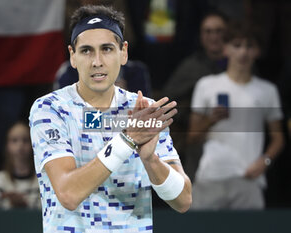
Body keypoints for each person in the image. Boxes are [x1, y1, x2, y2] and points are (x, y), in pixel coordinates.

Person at [29, 5, 192, 233]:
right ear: (72, 56)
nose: (97, 61)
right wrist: (127, 141)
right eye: (86, 51)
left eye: (106, 49)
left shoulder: (144, 112)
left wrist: (151, 160)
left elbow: (183, 200)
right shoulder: (50, 109)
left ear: (123, 52)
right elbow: (68, 194)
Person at [188, 21, 284, 210]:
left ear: (257, 51)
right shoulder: (206, 85)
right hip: (210, 176)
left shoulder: (267, 90)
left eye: (249, 46)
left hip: (249, 178)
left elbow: (278, 138)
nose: (243, 52)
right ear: (225, 49)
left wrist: (264, 162)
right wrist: (210, 120)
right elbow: (191, 137)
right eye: (237, 45)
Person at [162, 11, 228, 180]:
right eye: (208, 31)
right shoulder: (190, 67)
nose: (213, 36)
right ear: (201, 36)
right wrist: (188, 119)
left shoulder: (241, 66)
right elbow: (167, 102)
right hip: (198, 144)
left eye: (218, 31)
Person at [0, 121, 40, 210]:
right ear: (7, 145)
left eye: (25, 140)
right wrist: (10, 203)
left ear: (33, 144)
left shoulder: (41, 179)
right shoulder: (0, 179)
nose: (20, 145)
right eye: (14, 140)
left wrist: (24, 204)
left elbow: (48, 210)